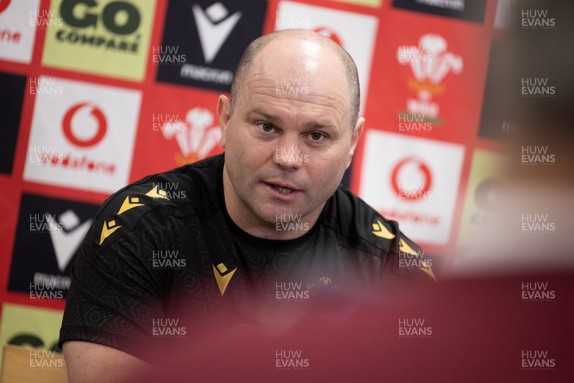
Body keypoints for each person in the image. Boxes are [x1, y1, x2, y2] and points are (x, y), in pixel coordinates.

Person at [59, 29, 434, 383]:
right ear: (224, 119)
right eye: (267, 126)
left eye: (316, 136)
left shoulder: (389, 268)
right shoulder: (139, 230)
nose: (288, 158)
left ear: (352, 143)